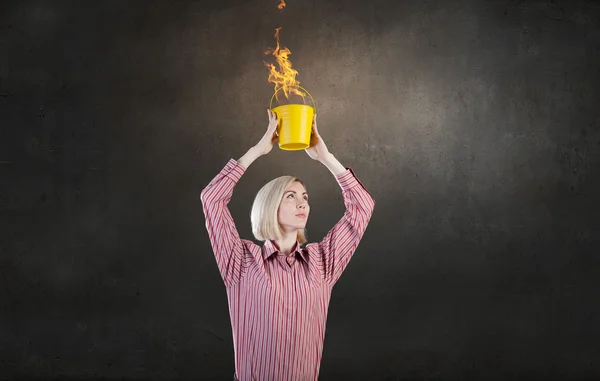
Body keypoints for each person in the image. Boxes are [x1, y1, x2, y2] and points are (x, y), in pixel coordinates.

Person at [200, 110, 375, 381]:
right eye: (290, 196)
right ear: (270, 204)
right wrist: (257, 151)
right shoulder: (240, 260)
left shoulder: (322, 262)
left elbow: (362, 207)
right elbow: (212, 199)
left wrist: (325, 157)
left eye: (304, 196)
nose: (302, 202)